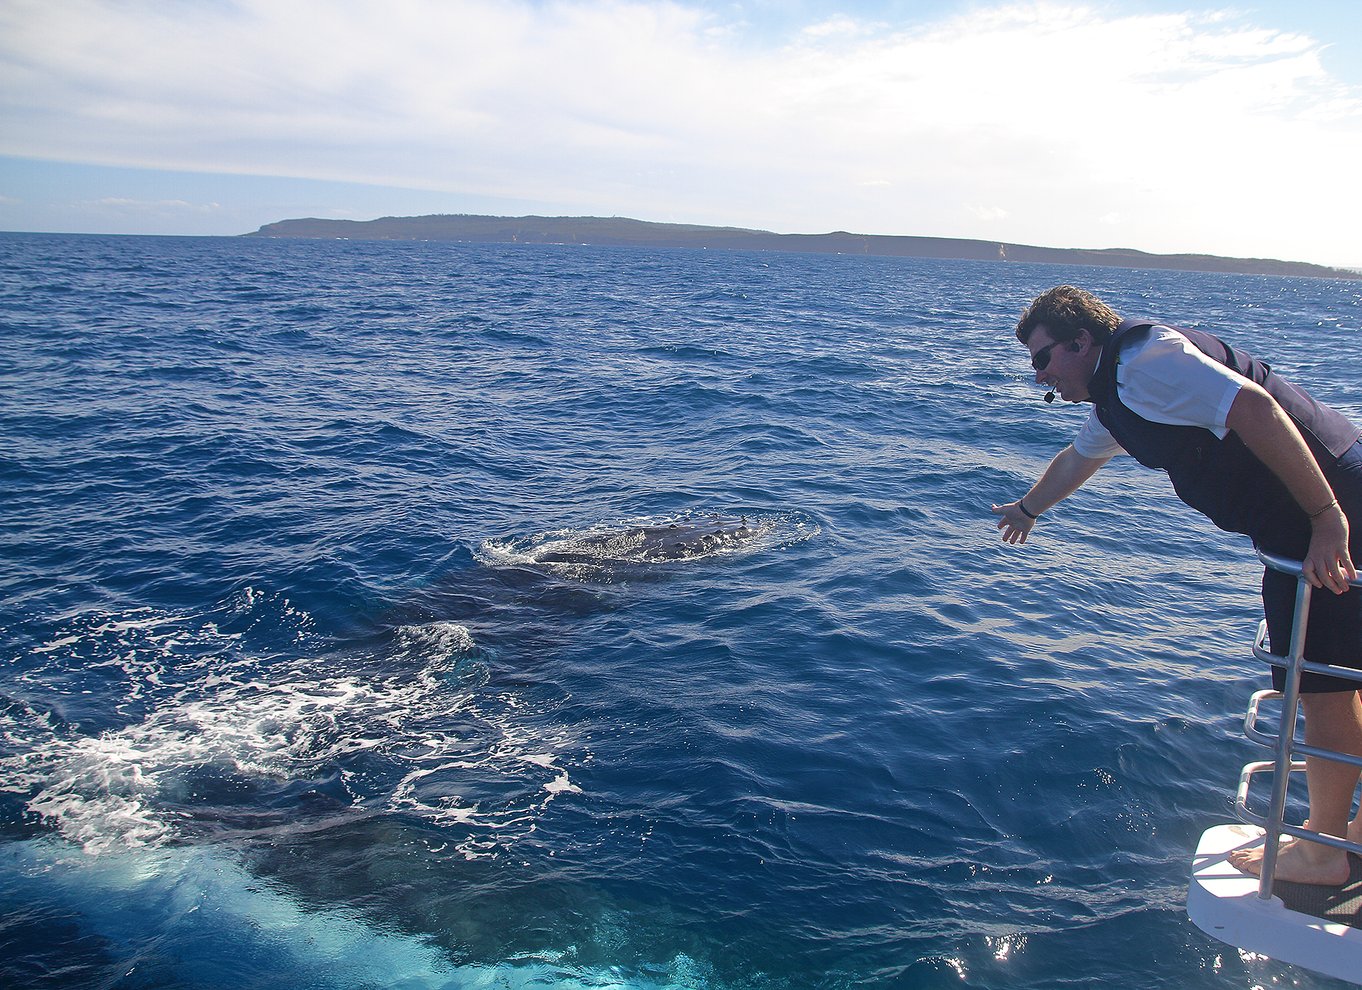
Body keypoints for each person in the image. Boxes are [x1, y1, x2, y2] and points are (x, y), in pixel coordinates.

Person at [991, 284, 1362, 886]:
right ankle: (1350, 836)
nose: (1039, 377)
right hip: (1326, 509)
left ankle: (1321, 855)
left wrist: (1327, 519)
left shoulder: (1144, 365)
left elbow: (1257, 410)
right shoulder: (1124, 391)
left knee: (1321, 685)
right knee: (1344, 676)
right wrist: (1028, 510)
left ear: (1082, 341)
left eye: (1042, 359)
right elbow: (1079, 458)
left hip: (1327, 517)